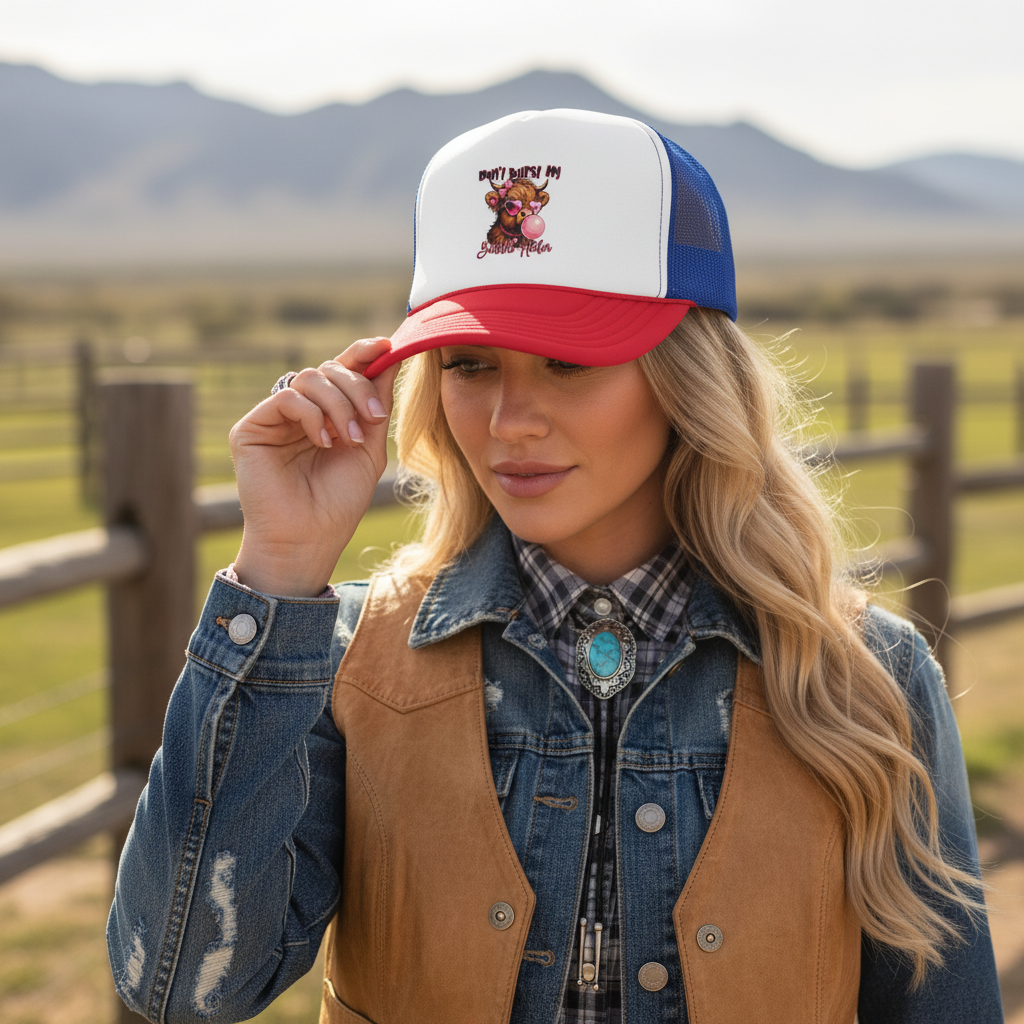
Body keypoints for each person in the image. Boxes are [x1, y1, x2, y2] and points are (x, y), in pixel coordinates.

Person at [107, 109, 1003, 1024]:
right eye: (469, 364)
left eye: (568, 361)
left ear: (689, 376)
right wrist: (279, 569)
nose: (509, 422)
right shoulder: (348, 665)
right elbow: (179, 988)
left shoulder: (868, 675)